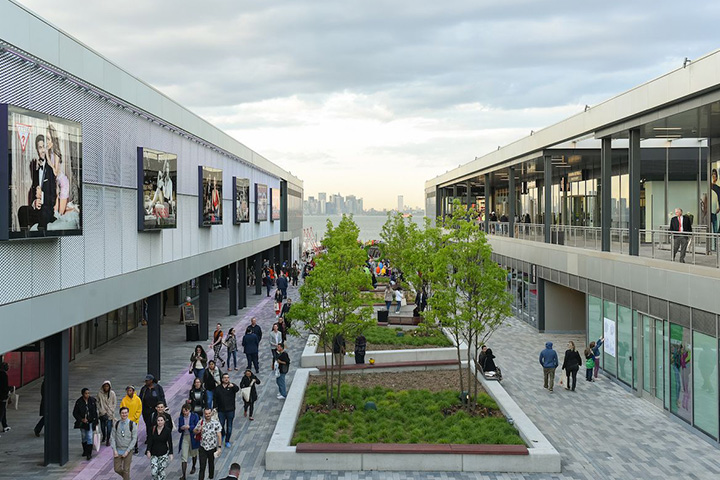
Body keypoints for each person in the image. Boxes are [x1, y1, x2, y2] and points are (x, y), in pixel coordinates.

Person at [18, 134, 57, 230]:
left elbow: (53, 199)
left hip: (47, 211)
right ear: (37, 150)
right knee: (22, 210)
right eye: (40, 147)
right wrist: (34, 202)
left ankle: (40, 243)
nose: (43, 150)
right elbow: (33, 196)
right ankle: (24, 239)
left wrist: (42, 196)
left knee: (44, 213)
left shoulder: (51, 170)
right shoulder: (36, 171)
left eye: (44, 147)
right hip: (37, 211)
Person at [194, 408, 222, 480]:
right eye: (206, 414)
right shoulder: (201, 422)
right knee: (202, 467)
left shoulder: (215, 423)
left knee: (211, 464)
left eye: (209, 413)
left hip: (212, 447)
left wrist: (219, 447)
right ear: (204, 414)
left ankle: (211, 477)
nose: (207, 415)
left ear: (211, 413)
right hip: (202, 447)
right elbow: (194, 431)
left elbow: (219, 435)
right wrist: (198, 430)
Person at [111, 406, 137, 480]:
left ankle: (126, 477)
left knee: (126, 470)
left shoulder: (132, 424)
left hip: (128, 450)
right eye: (122, 413)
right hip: (118, 450)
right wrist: (114, 450)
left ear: (128, 413)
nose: (124, 414)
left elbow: (134, 439)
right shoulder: (116, 424)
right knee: (117, 469)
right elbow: (112, 437)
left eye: (126, 413)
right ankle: (127, 478)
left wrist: (128, 451)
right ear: (120, 414)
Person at [72, 387, 98, 460]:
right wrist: (81, 419)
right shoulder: (79, 402)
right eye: (86, 393)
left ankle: (89, 454)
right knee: (84, 436)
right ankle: (85, 450)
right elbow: (75, 413)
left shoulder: (92, 401)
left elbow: (95, 412)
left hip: (90, 421)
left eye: (88, 393)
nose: (87, 395)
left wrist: (95, 421)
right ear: (83, 394)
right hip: (82, 422)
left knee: (89, 436)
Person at [214, 373, 239, 448]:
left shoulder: (231, 386)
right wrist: (215, 407)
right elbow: (215, 398)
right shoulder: (218, 388)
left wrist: (233, 386)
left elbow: (237, 389)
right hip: (221, 410)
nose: (226, 379)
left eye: (227, 377)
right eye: (225, 378)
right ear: (222, 379)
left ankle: (227, 440)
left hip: (230, 410)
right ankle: (223, 434)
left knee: (229, 427)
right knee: (221, 425)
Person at [139, 374, 166, 445]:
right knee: (148, 424)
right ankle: (149, 437)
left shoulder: (158, 387)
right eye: (146, 380)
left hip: (156, 409)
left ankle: (156, 437)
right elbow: (140, 398)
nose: (146, 382)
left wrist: (164, 406)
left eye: (147, 380)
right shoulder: (144, 389)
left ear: (151, 381)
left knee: (155, 423)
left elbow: (162, 397)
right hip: (146, 409)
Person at [146, 414, 173, 480]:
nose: (160, 422)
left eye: (161, 420)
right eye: (158, 420)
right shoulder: (152, 429)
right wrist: (148, 450)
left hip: (163, 453)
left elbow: (170, 442)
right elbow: (150, 440)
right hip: (154, 453)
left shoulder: (167, 430)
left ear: (164, 421)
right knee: (154, 472)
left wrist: (171, 453)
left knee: (161, 472)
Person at [177, 403, 200, 480]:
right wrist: (182, 428)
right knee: (184, 456)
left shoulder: (194, 416)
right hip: (185, 437)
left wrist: (189, 427)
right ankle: (184, 475)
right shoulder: (181, 418)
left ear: (189, 410)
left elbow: (197, 426)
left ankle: (193, 466)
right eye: (183, 411)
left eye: (186, 411)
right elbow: (179, 430)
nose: (185, 413)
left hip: (193, 437)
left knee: (194, 453)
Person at [119, 385, 142, 454]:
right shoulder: (124, 400)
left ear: (133, 391)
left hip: (134, 420)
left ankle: (136, 447)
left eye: (130, 390)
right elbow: (121, 409)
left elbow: (139, 409)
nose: (129, 392)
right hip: (126, 420)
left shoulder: (137, 399)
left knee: (134, 434)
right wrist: (124, 417)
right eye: (128, 391)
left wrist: (135, 417)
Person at [97, 380, 117, 447]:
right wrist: (101, 410)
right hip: (102, 413)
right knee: (102, 427)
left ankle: (108, 439)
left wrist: (112, 409)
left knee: (109, 427)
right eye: (105, 386)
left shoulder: (112, 393)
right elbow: (97, 402)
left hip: (110, 413)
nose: (106, 387)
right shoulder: (99, 393)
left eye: (107, 386)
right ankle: (104, 436)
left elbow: (115, 402)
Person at [0, 362, 10, 433]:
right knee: (1, 412)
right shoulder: (4, 375)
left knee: (3, 411)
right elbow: (4, 387)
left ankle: (5, 425)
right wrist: (10, 389)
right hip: (2, 396)